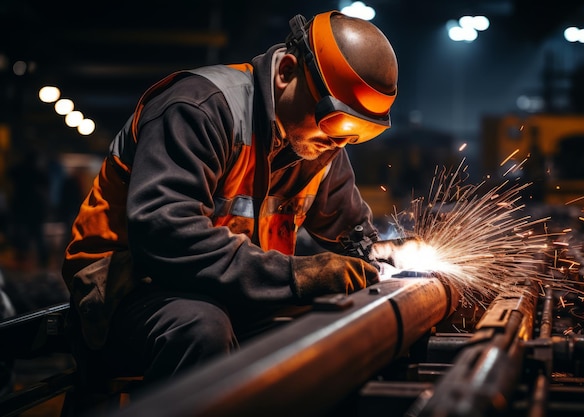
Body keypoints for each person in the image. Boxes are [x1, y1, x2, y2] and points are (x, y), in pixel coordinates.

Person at [62, 10, 398, 390]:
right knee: (201, 329)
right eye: (335, 122)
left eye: (356, 134)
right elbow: (165, 234)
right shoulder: (199, 108)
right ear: (286, 71)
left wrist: (385, 255)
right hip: (128, 287)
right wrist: (297, 275)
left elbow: (352, 235)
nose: (339, 143)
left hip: (233, 289)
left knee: (338, 325)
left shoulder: (318, 146)